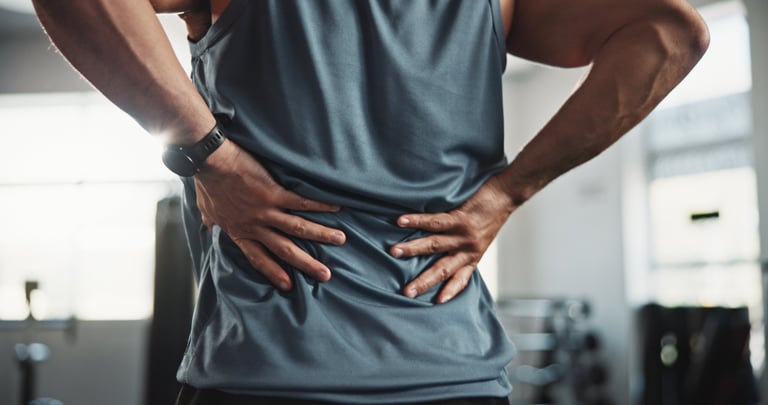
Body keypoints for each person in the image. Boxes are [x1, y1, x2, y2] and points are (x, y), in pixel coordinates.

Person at [32, 0, 709, 404]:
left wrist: (209, 154)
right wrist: (507, 193)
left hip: (270, 377)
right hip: (455, 379)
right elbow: (672, 35)